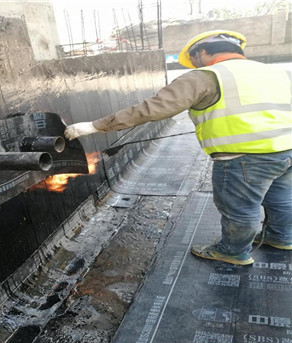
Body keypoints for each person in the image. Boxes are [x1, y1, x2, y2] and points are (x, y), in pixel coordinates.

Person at [64, 30, 292, 265]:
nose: (193, 64)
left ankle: (232, 252)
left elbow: (153, 108)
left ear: (203, 52)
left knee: (240, 207)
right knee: (282, 198)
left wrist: (94, 126)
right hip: (287, 151)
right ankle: (281, 237)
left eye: (193, 59)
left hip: (245, 156)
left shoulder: (206, 77)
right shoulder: (279, 73)